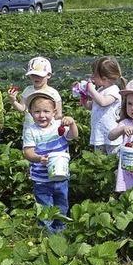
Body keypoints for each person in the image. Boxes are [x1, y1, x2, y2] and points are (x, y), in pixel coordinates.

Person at [22, 88, 78, 234]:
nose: (42, 115)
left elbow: (73, 136)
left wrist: (72, 124)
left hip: (61, 175)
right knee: (44, 205)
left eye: (46, 111)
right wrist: (39, 158)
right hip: (41, 178)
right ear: (30, 113)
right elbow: (27, 152)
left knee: (62, 202)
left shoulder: (59, 126)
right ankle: (46, 232)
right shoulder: (31, 131)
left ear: (54, 112)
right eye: (37, 112)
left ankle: (60, 229)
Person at [79, 56, 127, 155]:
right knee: (99, 160)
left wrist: (91, 89)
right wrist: (84, 99)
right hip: (99, 133)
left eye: (94, 75)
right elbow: (92, 106)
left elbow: (103, 102)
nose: (92, 77)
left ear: (104, 78)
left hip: (111, 134)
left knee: (113, 159)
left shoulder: (114, 90)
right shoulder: (100, 89)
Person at [8, 56, 63, 127]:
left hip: (49, 129)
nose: (36, 77)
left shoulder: (53, 93)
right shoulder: (28, 90)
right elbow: (22, 108)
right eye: (33, 75)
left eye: (40, 75)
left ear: (48, 75)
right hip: (30, 127)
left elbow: (58, 114)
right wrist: (13, 101)